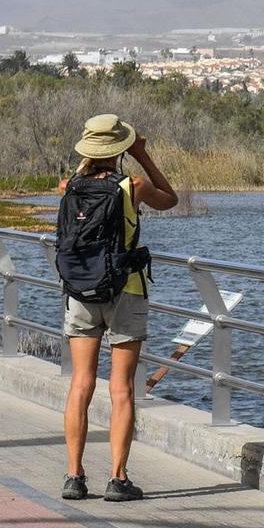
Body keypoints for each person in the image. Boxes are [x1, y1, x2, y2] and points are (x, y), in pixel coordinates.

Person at [57, 114, 177, 501]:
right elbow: (170, 198)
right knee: (121, 388)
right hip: (126, 291)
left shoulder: (67, 187)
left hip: (80, 291)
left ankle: (74, 476)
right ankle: (118, 478)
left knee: (80, 384)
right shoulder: (133, 186)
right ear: (119, 149)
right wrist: (142, 154)